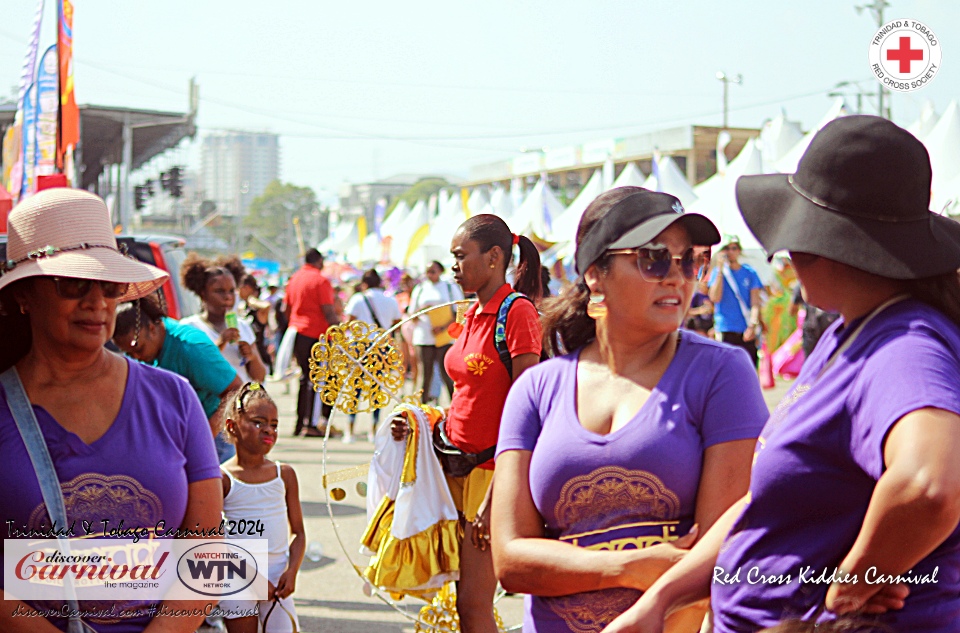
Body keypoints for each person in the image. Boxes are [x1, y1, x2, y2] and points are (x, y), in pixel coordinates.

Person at [603, 117, 960, 633]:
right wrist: (658, 601)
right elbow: (764, 503)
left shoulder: (905, 345)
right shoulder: (854, 330)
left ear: (819, 246)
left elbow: (930, 485)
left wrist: (849, 587)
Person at [492, 188, 768, 633]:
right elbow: (510, 560)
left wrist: (571, 564)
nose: (677, 277)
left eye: (690, 260)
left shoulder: (721, 372)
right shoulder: (536, 389)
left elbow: (715, 558)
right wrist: (629, 566)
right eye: (654, 258)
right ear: (595, 274)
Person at [0, 188, 222, 633]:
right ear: (24, 295)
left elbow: (207, 551)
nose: (96, 302)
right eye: (73, 283)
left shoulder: (175, 398)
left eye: (110, 285)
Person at [393, 214, 543, 633]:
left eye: (461, 256)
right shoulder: (471, 313)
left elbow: (526, 411)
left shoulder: (517, 313)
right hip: (453, 471)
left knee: (474, 606)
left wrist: (497, 498)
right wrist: (422, 422)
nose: (454, 266)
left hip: (492, 475)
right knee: (461, 603)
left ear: (495, 257)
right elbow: (466, 397)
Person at [112, 294, 243, 459]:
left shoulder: (192, 348)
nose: (135, 357)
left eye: (138, 349)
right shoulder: (140, 345)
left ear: (152, 328)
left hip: (213, 442)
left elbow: (237, 390)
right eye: (129, 353)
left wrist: (205, 438)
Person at [219, 382, 305, 633]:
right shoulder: (222, 479)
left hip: (278, 577)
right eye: (259, 422)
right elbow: (212, 541)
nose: (268, 430)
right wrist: (253, 579)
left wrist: (292, 572)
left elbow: (298, 533)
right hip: (237, 576)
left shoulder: (284, 474)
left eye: (274, 424)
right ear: (232, 426)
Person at [180, 255, 268, 385]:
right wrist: (220, 343)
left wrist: (252, 356)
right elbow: (192, 372)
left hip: (239, 402)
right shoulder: (190, 327)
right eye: (219, 291)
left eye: (232, 291)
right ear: (203, 293)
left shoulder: (243, 326)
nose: (228, 297)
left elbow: (259, 377)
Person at [284, 249, 340, 437]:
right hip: (317, 335)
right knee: (319, 380)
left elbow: (286, 309)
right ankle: (312, 424)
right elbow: (328, 311)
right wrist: (340, 330)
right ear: (319, 261)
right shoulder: (320, 280)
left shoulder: (295, 278)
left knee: (305, 379)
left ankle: (301, 422)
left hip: (297, 332)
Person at [343, 268, 402, 442]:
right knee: (376, 388)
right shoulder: (390, 300)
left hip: (359, 346)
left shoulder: (357, 299)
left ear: (364, 283)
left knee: (355, 388)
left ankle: (350, 429)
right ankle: (374, 429)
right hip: (380, 347)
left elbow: (348, 323)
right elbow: (397, 323)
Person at [409, 260, 463, 404]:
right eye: (428, 272)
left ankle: (455, 405)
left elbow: (459, 311)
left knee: (447, 373)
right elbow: (411, 314)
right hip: (424, 337)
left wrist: (443, 326)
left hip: (445, 337)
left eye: (433, 271)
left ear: (440, 271)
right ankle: (423, 407)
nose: (430, 274)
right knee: (425, 375)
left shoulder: (449, 288)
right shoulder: (420, 289)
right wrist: (424, 310)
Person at [708, 235, 764, 365]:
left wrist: (753, 324)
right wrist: (721, 270)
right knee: (726, 368)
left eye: (734, 248)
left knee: (749, 366)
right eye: (727, 249)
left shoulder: (749, 272)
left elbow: (755, 302)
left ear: (739, 250)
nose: (731, 252)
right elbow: (715, 297)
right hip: (725, 328)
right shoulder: (718, 273)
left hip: (745, 327)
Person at [240, 274, 273, 376]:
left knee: (257, 389)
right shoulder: (243, 307)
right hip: (245, 358)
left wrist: (251, 299)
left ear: (247, 288)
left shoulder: (257, 309)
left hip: (259, 358)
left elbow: (267, 306)